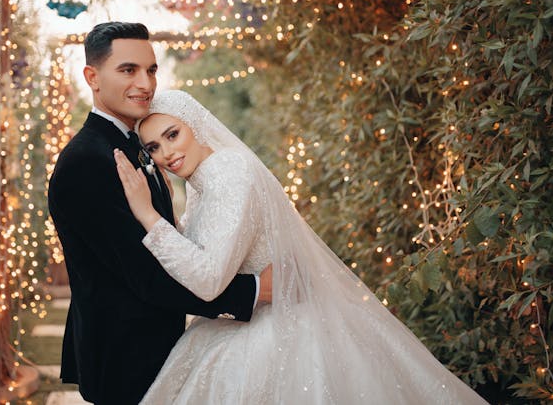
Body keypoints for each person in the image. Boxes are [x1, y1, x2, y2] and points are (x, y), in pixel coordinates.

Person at [114, 89, 490, 404]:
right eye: (154, 147)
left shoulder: (229, 170)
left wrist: (149, 217)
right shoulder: (201, 183)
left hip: (274, 331)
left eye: (172, 135)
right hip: (242, 321)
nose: (166, 153)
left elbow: (209, 278)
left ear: (194, 125)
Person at [47, 22, 270, 405]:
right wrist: (251, 292)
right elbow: (145, 276)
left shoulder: (134, 145)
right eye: (128, 70)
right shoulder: (86, 162)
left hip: (157, 348)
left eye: (150, 70)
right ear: (92, 77)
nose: (145, 83)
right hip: (125, 357)